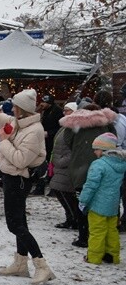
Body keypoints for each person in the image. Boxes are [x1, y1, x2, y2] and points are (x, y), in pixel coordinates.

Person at [0, 88, 54, 285]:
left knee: (15, 224)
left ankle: (41, 265)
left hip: (19, 180)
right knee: (20, 222)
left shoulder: (34, 131)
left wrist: (3, 142)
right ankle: (20, 262)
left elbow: (20, 159)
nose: (13, 109)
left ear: (23, 109)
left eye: (16, 106)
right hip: (11, 177)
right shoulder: (18, 123)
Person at [60, 99, 117, 247]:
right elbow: (114, 140)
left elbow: (68, 141)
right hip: (104, 166)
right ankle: (102, 235)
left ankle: (83, 236)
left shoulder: (75, 124)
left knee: (82, 202)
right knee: (102, 203)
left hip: (80, 167)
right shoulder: (106, 124)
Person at [78, 132, 124, 264]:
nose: (94, 152)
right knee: (111, 231)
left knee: (97, 231)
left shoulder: (98, 165)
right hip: (113, 204)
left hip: (97, 205)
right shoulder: (121, 164)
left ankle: (94, 257)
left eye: (96, 149)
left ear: (104, 150)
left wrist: (83, 200)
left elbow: (91, 185)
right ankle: (112, 255)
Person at [49, 102, 80, 231]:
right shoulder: (65, 126)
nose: (64, 113)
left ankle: (75, 219)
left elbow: (75, 148)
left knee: (64, 191)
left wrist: (62, 161)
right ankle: (71, 218)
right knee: (61, 191)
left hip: (66, 165)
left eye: (67, 110)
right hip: (59, 164)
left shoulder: (75, 127)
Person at [33, 94, 63, 195]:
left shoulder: (57, 111)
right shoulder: (45, 111)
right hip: (45, 142)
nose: (41, 104)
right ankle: (41, 187)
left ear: (49, 103)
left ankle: (52, 188)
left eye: (44, 102)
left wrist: (49, 133)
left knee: (51, 165)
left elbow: (60, 128)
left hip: (52, 142)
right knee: (43, 165)